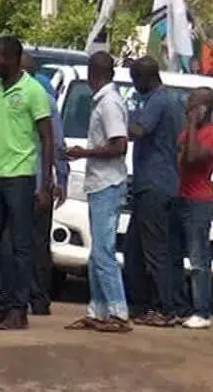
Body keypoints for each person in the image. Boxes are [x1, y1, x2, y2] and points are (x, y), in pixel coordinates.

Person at [0, 36, 54, 330]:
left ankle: (19, 310)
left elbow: (47, 138)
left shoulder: (34, 91)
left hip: (21, 176)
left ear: (14, 59)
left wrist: (46, 184)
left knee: (19, 246)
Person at [64, 52, 131, 332]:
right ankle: (99, 310)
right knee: (97, 253)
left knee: (104, 252)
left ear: (93, 74)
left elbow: (119, 145)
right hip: (100, 183)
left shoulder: (109, 103)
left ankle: (118, 312)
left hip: (107, 183)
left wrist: (85, 153)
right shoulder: (104, 101)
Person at [125, 56, 184, 327]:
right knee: (134, 248)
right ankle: (140, 304)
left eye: (135, 80)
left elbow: (139, 130)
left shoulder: (158, 101)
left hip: (154, 184)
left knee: (155, 250)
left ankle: (165, 308)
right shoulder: (170, 100)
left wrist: (120, 121)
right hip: (155, 183)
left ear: (147, 77)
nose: (134, 86)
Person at [171, 88, 213, 330]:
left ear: (205, 109)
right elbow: (179, 160)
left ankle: (202, 311)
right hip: (180, 197)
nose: (188, 111)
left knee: (198, 259)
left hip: (198, 201)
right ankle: (181, 306)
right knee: (175, 255)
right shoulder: (186, 133)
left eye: (193, 107)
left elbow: (192, 157)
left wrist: (193, 124)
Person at [20, 52, 68, 315]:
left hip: (34, 183)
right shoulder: (45, 100)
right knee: (35, 244)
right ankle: (32, 298)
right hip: (28, 182)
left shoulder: (43, 101)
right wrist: (61, 177)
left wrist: (59, 178)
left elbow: (56, 144)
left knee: (30, 242)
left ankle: (34, 297)